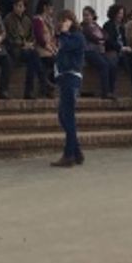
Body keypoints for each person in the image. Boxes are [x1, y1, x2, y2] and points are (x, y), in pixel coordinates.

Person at [51, 10, 85, 167]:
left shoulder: (76, 36)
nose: (62, 23)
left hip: (71, 77)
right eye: (61, 20)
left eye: (65, 20)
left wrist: (64, 33)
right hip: (64, 77)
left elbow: (68, 46)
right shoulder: (65, 37)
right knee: (63, 116)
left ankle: (69, 154)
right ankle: (76, 151)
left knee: (68, 116)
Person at [5, 0, 50, 98]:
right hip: (14, 49)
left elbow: (32, 36)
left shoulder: (27, 20)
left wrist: (29, 44)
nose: (19, 8)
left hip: (27, 50)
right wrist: (21, 44)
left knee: (33, 59)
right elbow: (7, 37)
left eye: (21, 6)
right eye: (17, 6)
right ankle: (43, 82)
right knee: (33, 56)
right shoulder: (8, 19)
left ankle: (30, 90)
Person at [104, 4, 132, 99]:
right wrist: (121, 48)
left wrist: (127, 47)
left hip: (123, 51)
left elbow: (124, 40)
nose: (121, 15)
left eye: (122, 13)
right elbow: (109, 41)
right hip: (113, 51)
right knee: (113, 64)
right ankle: (110, 91)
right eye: (119, 13)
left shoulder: (121, 27)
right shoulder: (108, 25)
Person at [80, 7, 117, 99]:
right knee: (103, 65)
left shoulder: (96, 26)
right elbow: (91, 37)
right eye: (84, 15)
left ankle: (111, 90)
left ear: (93, 16)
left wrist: (102, 39)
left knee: (112, 65)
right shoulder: (83, 27)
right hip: (89, 51)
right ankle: (105, 92)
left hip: (100, 51)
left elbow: (105, 35)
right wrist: (100, 40)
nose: (86, 17)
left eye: (88, 15)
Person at [32, 0, 59, 88]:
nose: (52, 10)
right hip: (42, 49)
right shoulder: (37, 20)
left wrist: (55, 48)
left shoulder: (49, 20)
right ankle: (47, 84)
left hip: (50, 48)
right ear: (45, 7)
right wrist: (49, 48)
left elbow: (52, 36)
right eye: (50, 8)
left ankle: (50, 85)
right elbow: (39, 37)